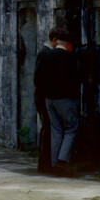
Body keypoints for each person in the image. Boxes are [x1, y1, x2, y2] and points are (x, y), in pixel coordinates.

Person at [33, 27, 79, 176]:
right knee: (71, 129)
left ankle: (53, 164)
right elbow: (75, 79)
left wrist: (47, 92)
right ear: (68, 45)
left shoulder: (46, 55)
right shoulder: (69, 58)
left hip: (49, 99)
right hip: (65, 98)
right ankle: (62, 161)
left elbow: (37, 79)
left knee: (56, 130)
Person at [33, 28, 60, 174]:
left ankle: (45, 163)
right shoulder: (45, 53)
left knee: (48, 127)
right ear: (55, 39)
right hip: (42, 95)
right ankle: (44, 164)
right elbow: (38, 78)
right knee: (47, 127)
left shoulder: (45, 52)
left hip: (42, 94)